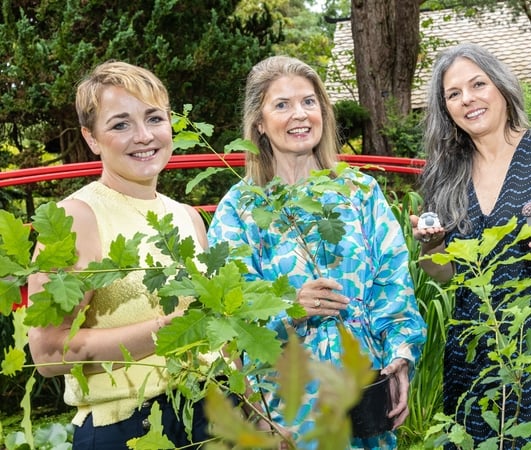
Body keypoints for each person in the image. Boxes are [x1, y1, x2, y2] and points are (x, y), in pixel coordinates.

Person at [206, 55, 427, 449]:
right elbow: (231, 315)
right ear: (258, 122)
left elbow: (393, 284)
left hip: (365, 388)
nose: (300, 115)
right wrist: (289, 306)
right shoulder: (240, 208)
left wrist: (400, 358)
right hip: (287, 401)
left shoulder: (360, 193)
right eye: (282, 105)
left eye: (309, 102)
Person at [413, 43, 531, 449]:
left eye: (478, 84)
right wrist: (432, 247)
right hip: (477, 338)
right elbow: (445, 273)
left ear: (501, 87)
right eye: (454, 93)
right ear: (445, 108)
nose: (468, 99)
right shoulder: (444, 174)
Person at [27, 61, 211, 448]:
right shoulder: (75, 219)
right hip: (128, 427)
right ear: (91, 138)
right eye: (120, 124)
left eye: (154, 118)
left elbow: (218, 333)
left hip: (211, 415)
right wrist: (165, 332)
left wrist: (249, 412)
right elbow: (47, 353)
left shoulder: (189, 217)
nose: (144, 136)